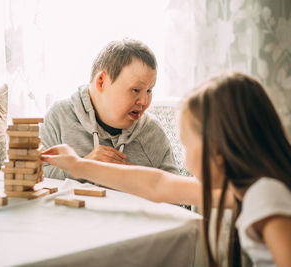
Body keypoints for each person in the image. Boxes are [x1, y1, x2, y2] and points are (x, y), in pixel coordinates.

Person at [41, 72, 291, 267]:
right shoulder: (243, 189)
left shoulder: (265, 196)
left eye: (187, 146)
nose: (185, 160)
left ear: (217, 149)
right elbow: (157, 185)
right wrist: (78, 165)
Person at [40, 38, 178, 179]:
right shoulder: (59, 118)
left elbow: (178, 197)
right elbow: (36, 176)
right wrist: (82, 168)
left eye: (149, 90)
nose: (144, 101)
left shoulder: (152, 133)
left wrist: (133, 178)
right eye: (136, 90)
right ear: (101, 82)